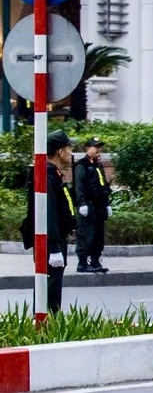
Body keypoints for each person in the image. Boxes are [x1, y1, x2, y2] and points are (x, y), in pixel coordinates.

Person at [17, 130, 77, 313]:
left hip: (55, 240)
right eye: (69, 147)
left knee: (51, 286)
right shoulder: (46, 176)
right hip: (50, 243)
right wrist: (53, 248)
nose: (71, 152)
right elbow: (47, 212)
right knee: (49, 290)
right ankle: (45, 330)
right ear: (60, 152)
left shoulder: (53, 174)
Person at [72, 136, 111, 274]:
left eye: (100, 147)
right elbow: (79, 186)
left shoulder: (98, 165)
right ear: (88, 148)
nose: (99, 150)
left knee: (98, 236)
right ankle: (82, 262)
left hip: (99, 205)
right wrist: (81, 202)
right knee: (85, 235)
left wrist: (107, 204)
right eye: (96, 147)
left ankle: (95, 260)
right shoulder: (82, 165)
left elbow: (103, 185)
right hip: (87, 205)